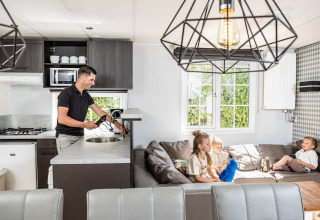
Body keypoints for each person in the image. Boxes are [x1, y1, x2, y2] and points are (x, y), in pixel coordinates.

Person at [55, 65, 126, 153]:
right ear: (83, 77)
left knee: (77, 166)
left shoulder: (85, 95)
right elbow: (62, 119)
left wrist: (115, 122)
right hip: (66, 138)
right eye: (91, 80)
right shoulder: (66, 93)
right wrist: (85, 125)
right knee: (67, 166)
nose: (93, 83)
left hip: (79, 136)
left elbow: (99, 111)